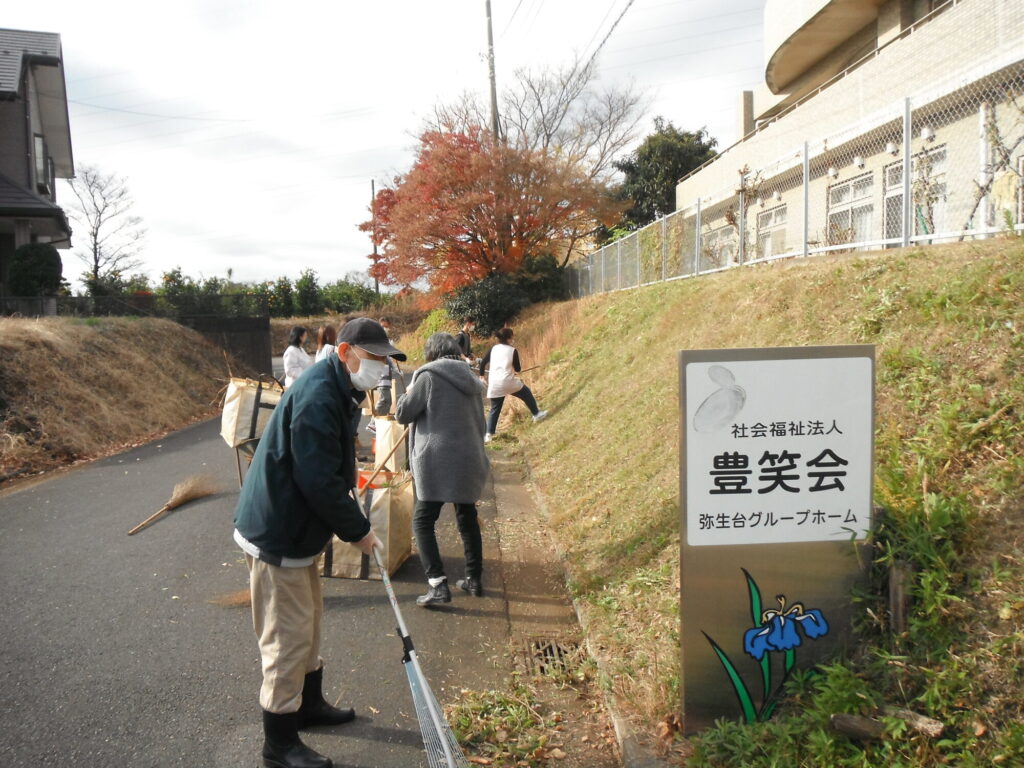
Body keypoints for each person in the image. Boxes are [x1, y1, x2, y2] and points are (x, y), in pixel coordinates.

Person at [234, 318, 406, 768]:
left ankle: (307, 707)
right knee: (286, 640)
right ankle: (279, 745)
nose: (383, 368)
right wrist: (360, 531)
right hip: (278, 531)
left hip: (298, 529)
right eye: (376, 358)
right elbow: (317, 480)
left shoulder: (339, 385)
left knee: (307, 626)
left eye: (386, 360)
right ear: (346, 351)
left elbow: (331, 464)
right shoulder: (317, 395)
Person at [395, 333, 490, 606]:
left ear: (431, 354)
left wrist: (408, 391)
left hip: (436, 459)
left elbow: (403, 413)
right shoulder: (471, 378)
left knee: (423, 521)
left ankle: (437, 584)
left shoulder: (427, 377)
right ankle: (473, 579)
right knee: (467, 517)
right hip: (469, 456)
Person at [479, 327, 547, 444]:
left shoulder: (493, 349)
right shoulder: (512, 350)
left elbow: (483, 363)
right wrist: (515, 371)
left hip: (494, 383)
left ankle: (489, 435)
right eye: (512, 336)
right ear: (509, 338)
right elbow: (518, 368)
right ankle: (536, 414)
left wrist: (481, 376)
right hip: (508, 382)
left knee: (495, 409)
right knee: (526, 393)